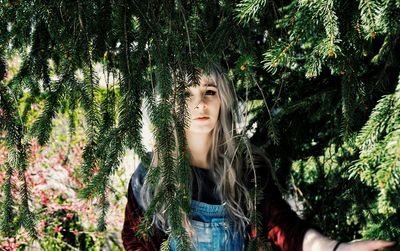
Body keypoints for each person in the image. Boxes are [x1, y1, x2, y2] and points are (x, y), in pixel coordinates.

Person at [121, 64, 396, 251]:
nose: (200, 104)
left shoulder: (246, 169)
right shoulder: (150, 176)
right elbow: (136, 244)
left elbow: (282, 228)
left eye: (209, 91)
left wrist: (335, 248)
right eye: (186, 94)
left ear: (223, 99)